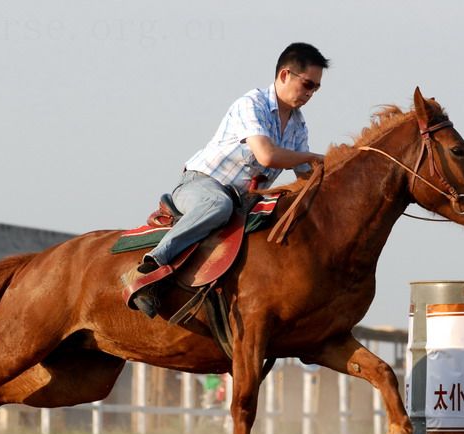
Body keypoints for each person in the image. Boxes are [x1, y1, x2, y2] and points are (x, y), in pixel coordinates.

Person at [125, 42, 329, 317]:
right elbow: (267, 156)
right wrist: (314, 156)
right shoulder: (252, 104)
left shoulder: (298, 123)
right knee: (217, 206)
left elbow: (306, 176)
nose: (310, 93)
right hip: (201, 184)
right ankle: (149, 267)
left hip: (244, 200)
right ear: (284, 75)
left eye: (316, 88)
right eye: (307, 84)